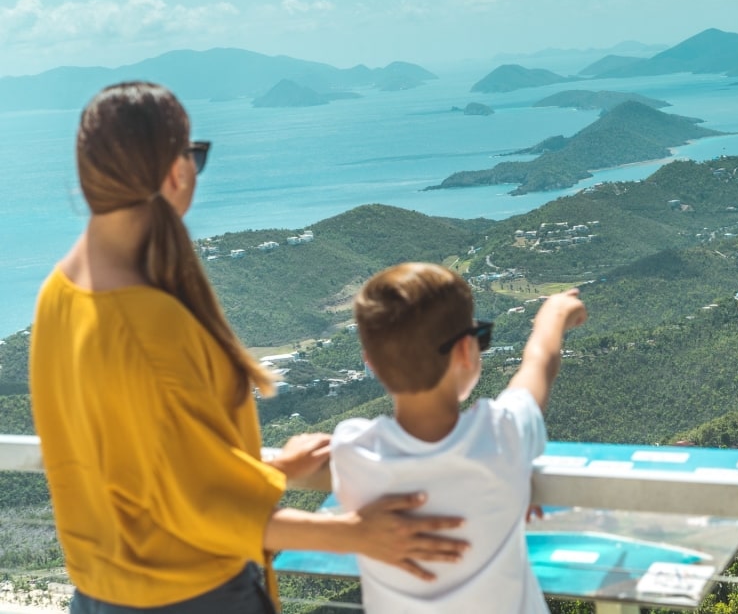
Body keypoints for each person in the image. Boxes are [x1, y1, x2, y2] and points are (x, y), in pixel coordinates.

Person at [29, 82, 468, 614]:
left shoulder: (59, 293)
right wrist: (358, 535)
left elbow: (140, 466)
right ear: (176, 173)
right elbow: (198, 507)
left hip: (98, 594)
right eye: (195, 155)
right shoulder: (150, 322)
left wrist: (274, 470)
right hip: (189, 598)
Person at [330, 262, 587, 613]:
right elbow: (540, 364)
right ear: (466, 351)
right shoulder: (502, 435)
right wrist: (554, 316)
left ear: (370, 363)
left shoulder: (351, 449)